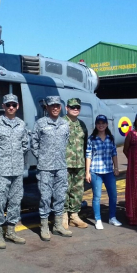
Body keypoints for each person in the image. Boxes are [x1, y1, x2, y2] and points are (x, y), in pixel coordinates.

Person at [0, 94, 29, 249]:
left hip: (17, 170)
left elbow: (25, 144)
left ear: (17, 107)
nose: (11, 107)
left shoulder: (21, 124)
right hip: (1, 170)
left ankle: (10, 231)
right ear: (3, 106)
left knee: (15, 201)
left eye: (13, 105)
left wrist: (16, 157)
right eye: (8, 105)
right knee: (0, 200)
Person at [31, 96, 72, 241]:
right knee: (45, 197)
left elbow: (66, 141)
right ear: (47, 107)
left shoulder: (64, 124)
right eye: (52, 106)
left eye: (57, 106)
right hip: (45, 167)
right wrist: (41, 157)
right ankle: (44, 226)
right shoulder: (40, 123)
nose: (55, 108)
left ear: (60, 107)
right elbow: (34, 143)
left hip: (61, 166)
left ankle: (58, 225)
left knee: (60, 196)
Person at [85, 115, 121, 229]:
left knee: (113, 195)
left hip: (109, 171)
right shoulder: (92, 139)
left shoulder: (111, 138)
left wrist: (116, 168)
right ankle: (98, 219)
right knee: (97, 196)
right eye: (99, 123)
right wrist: (87, 172)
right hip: (96, 171)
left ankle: (112, 217)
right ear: (96, 125)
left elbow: (114, 153)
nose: (101, 125)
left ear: (106, 124)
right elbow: (88, 156)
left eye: (103, 123)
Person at [63, 97, 89, 229]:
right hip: (64, 163)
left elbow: (85, 146)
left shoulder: (82, 125)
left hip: (79, 163)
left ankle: (74, 215)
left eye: (77, 107)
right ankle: (63, 216)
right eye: (72, 107)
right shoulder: (61, 123)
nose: (75, 109)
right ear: (66, 108)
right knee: (63, 189)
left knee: (78, 190)